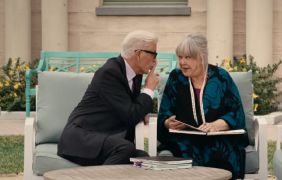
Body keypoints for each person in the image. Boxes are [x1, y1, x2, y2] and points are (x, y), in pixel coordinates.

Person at [58, 30, 160, 166]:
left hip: (104, 138)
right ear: (138, 54)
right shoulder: (110, 73)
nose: (155, 60)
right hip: (81, 138)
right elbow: (131, 114)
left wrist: (141, 114)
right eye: (153, 54)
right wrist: (148, 89)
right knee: (125, 149)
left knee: (143, 159)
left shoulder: (134, 75)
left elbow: (128, 109)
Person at [157, 33, 249, 179]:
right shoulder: (175, 78)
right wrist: (168, 123)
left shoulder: (221, 77)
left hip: (218, 139)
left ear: (202, 57)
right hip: (183, 140)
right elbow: (164, 113)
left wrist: (219, 124)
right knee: (184, 153)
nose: (182, 62)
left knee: (220, 154)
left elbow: (237, 112)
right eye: (180, 57)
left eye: (188, 57)